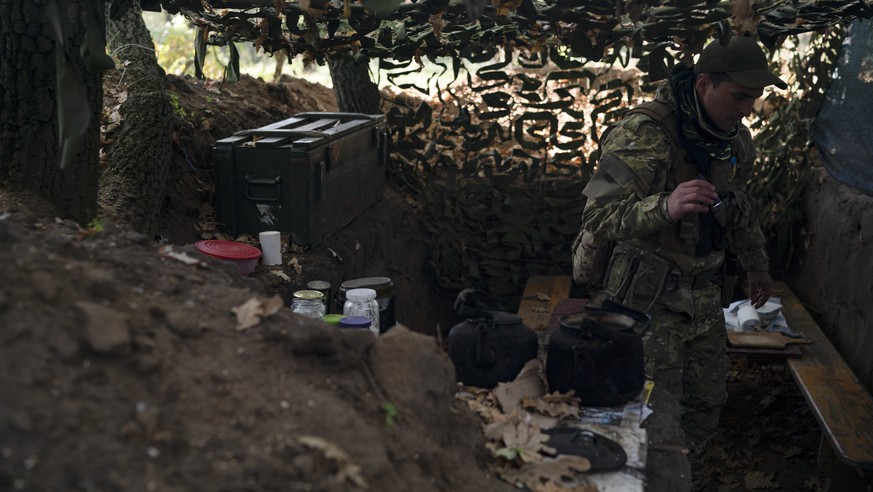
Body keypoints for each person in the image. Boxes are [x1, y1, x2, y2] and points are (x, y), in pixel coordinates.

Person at [578, 35, 783, 485]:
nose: (748, 109)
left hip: (706, 303)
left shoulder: (733, 139)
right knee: (647, 418)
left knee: (704, 412)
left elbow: (738, 206)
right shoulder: (645, 134)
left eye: (755, 98)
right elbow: (597, 214)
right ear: (704, 83)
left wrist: (756, 263)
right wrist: (664, 207)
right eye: (739, 96)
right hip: (646, 307)